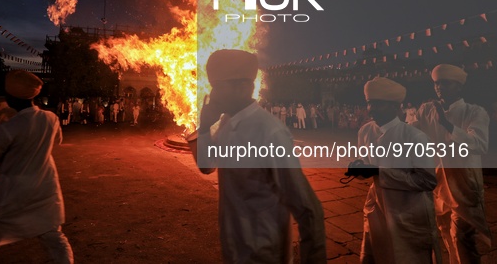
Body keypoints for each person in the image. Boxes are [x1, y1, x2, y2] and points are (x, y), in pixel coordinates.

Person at [189, 49, 326, 263]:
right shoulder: (225, 124)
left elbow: (308, 209)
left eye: (218, 87)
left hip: (265, 255)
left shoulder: (269, 132)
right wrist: (205, 127)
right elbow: (206, 166)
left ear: (243, 87)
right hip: (233, 250)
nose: (213, 95)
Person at [0, 70, 74, 263]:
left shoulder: (9, 128)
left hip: (13, 193)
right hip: (45, 189)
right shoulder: (51, 119)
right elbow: (57, 142)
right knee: (55, 239)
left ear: (13, 98)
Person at [346, 77, 440, 263]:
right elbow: (369, 166)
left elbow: (427, 181)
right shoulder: (365, 131)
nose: (372, 109)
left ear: (396, 107)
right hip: (378, 207)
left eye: (378, 104)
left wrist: (380, 172)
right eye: (369, 103)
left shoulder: (414, 136)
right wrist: (359, 168)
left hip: (409, 212)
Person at [414, 64, 491, 263]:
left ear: (458, 87)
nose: (439, 87)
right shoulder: (426, 110)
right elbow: (412, 134)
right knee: (445, 233)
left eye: (445, 83)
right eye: (437, 83)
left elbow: (479, 144)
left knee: (463, 237)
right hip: (437, 183)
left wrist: (448, 125)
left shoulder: (474, 112)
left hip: (464, 185)